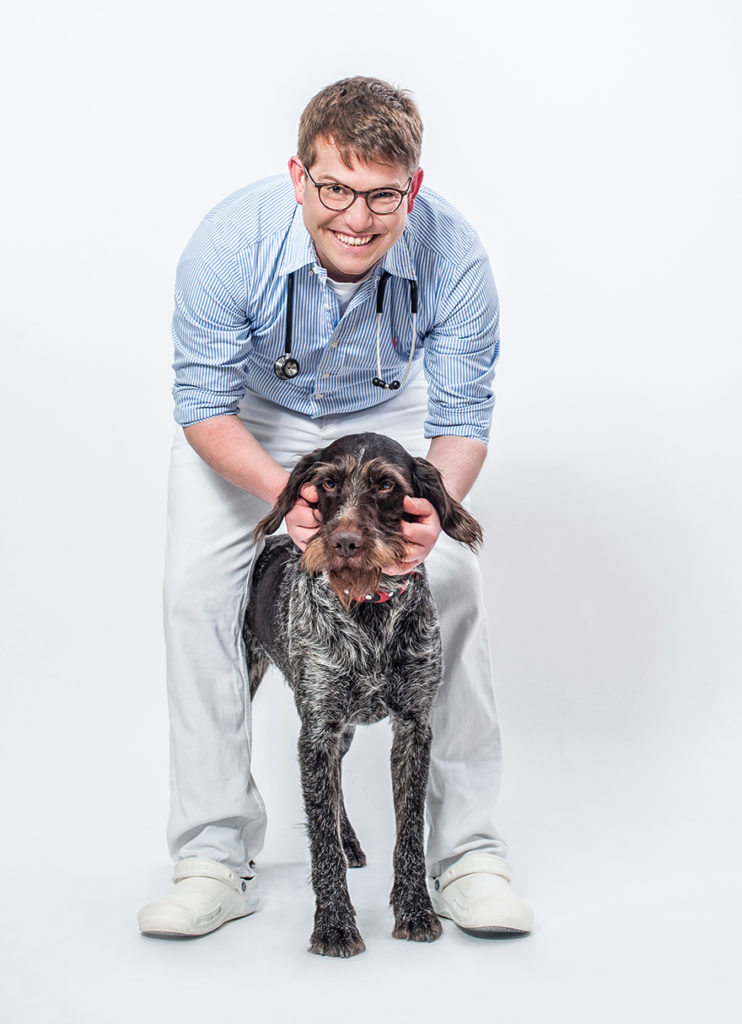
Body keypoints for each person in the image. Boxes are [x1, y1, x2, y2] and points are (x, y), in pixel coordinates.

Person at [138, 76, 533, 940]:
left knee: (456, 581)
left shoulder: (455, 256)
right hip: (248, 423)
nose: (357, 217)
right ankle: (213, 854)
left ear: (412, 188)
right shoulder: (227, 244)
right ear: (298, 175)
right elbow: (203, 404)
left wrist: (427, 521)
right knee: (198, 598)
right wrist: (292, 506)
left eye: (381, 195)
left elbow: (461, 420)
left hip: (380, 421)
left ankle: (465, 855)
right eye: (336, 190)